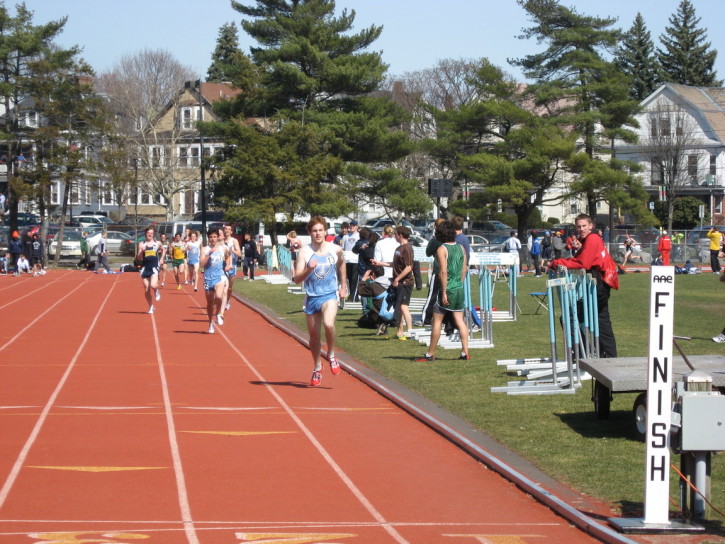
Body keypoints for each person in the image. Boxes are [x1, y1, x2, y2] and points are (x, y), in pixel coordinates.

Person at [548, 213, 618, 359]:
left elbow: (583, 264)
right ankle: (608, 357)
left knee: (569, 318)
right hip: (600, 283)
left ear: (591, 226)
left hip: (598, 284)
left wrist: (557, 262)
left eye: (584, 226)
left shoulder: (592, 238)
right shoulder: (589, 240)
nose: (581, 229)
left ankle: (585, 353)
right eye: (578, 226)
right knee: (602, 322)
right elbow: (578, 259)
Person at [293, 215, 347, 387]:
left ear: (325, 231)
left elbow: (342, 264)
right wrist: (309, 268)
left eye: (320, 230)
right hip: (312, 297)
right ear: (310, 233)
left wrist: (343, 285)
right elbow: (296, 279)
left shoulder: (335, 249)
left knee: (329, 324)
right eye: (314, 231)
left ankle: (331, 355)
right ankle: (317, 366)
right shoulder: (305, 252)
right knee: (314, 337)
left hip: (330, 294)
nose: (318, 234)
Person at [414, 220, 470, 362]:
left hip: (448, 288)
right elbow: (464, 268)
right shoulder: (461, 247)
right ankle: (465, 352)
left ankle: (430, 353)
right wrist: (460, 283)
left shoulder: (442, 249)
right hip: (459, 288)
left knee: (437, 320)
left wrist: (444, 292)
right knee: (460, 320)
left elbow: (443, 272)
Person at [372, 226, 414, 340]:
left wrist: (397, 279)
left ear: (400, 235)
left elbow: (408, 268)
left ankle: (410, 331)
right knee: (398, 307)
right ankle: (399, 332)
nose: (394, 236)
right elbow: (394, 264)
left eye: (395, 234)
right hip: (399, 283)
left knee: (403, 306)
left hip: (405, 282)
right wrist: (379, 263)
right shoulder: (399, 248)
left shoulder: (407, 248)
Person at [200, 226, 230, 334]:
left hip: (219, 276)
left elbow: (228, 255)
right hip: (208, 279)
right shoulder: (205, 249)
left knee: (218, 296)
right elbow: (201, 264)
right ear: (208, 238)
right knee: (209, 303)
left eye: (214, 237)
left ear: (218, 237)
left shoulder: (223, 248)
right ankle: (210, 323)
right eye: (211, 237)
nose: (213, 239)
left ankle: (218, 314)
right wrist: (209, 255)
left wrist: (228, 265)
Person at [137, 226, 165, 314]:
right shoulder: (142, 244)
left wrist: (161, 259)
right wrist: (142, 251)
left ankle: (156, 290)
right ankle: (150, 306)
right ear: (146, 233)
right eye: (148, 233)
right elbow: (139, 258)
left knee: (153, 285)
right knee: (146, 289)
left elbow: (163, 249)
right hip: (145, 268)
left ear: (153, 234)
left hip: (154, 267)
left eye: (152, 233)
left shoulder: (157, 243)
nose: (150, 234)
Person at [222, 224, 242, 310]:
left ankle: (227, 300)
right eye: (225, 229)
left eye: (228, 229)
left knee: (229, 287)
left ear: (231, 231)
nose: (227, 230)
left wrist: (232, 250)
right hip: (222, 265)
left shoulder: (234, 241)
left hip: (232, 265)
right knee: (222, 285)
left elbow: (239, 254)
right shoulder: (221, 240)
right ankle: (221, 301)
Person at [341, 220, 360, 301]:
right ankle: (350, 295)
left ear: (356, 226)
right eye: (351, 225)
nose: (352, 227)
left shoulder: (359, 236)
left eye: (353, 225)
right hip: (347, 260)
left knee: (354, 278)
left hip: (355, 260)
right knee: (348, 278)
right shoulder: (345, 236)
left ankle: (353, 296)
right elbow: (343, 248)